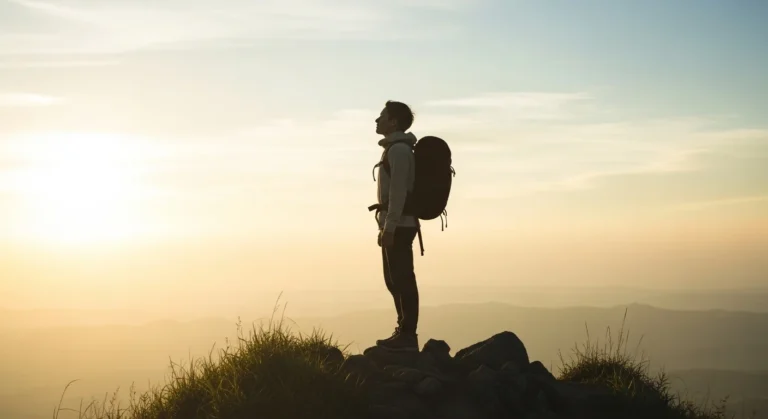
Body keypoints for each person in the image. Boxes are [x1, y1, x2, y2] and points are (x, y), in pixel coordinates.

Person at [371, 100, 421, 352]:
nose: (376, 120)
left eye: (382, 116)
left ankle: (407, 335)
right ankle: (403, 331)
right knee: (393, 279)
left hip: (400, 225)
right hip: (395, 223)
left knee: (402, 278)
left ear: (394, 122)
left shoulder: (399, 151)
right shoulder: (394, 149)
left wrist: (389, 228)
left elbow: (399, 192)